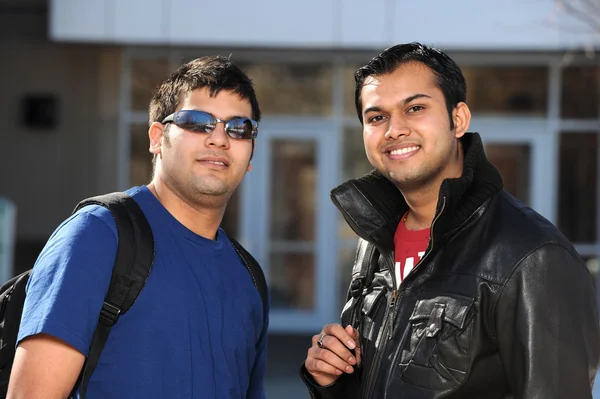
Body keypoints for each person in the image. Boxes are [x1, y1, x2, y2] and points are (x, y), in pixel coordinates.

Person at [301, 42, 600, 398]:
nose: (394, 129)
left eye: (414, 108)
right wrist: (330, 380)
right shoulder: (375, 241)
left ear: (458, 120)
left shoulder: (532, 257)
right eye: (376, 117)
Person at [8, 56, 269, 398]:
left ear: (250, 155)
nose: (220, 138)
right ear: (158, 137)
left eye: (239, 128)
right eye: (198, 122)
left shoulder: (248, 277)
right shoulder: (98, 236)